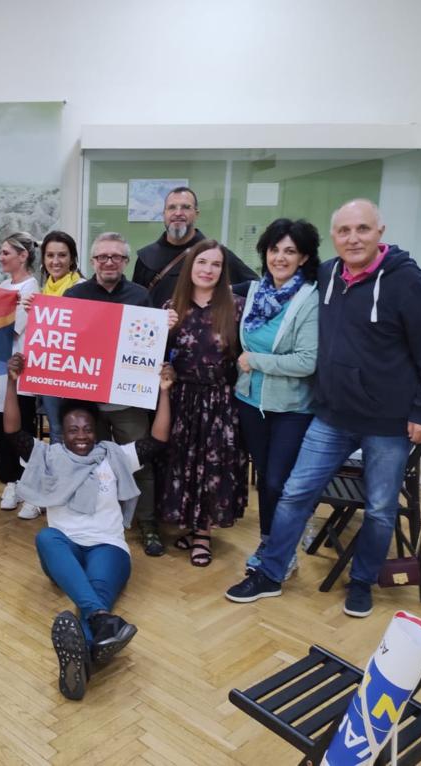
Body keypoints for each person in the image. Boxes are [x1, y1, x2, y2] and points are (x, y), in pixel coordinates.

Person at [226, 200, 421, 618]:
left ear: (380, 231)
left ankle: (363, 582)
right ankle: (271, 572)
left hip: (387, 423)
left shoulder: (408, 282)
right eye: (344, 230)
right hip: (331, 416)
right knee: (295, 493)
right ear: (333, 237)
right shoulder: (329, 274)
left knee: (381, 508)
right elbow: (274, 285)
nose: (353, 238)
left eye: (362, 229)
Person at [2, 352, 173, 701]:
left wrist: (165, 391)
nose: (81, 436)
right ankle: (101, 619)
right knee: (47, 536)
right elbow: (12, 431)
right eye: (73, 430)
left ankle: (82, 664)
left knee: (91, 603)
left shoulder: (114, 455)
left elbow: (157, 440)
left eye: (87, 429)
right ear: (62, 433)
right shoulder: (48, 456)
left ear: (96, 431)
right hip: (63, 551)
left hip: (107, 547)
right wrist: (11, 383)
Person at [64, 232, 177, 557]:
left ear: (125, 261)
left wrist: (166, 327)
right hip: (86, 402)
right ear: (92, 261)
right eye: (102, 256)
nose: (109, 262)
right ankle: (97, 519)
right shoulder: (75, 295)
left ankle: (147, 522)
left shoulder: (140, 296)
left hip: (128, 399)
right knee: (91, 463)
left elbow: (152, 344)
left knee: (140, 461)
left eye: (116, 256)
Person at [235, 219, 320, 578]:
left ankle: (283, 552)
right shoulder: (255, 292)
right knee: (265, 481)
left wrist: (255, 361)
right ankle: (269, 543)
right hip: (250, 402)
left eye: (290, 251)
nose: (280, 258)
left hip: (291, 408)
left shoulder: (309, 299)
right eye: (274, 249)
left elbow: (307, 361)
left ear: (304, 258)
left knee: (276, 483)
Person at [157, 239, 248, 566]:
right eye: (202, 262)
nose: (208, 270)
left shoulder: (236, 307)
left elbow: (245, 353)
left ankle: (203, 534)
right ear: (190, 267)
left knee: (212, 468)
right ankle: (192, 523)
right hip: (181, 398)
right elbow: (153, 354)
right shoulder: (172, 307)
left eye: (216, 264)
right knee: (183, 464)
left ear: (223, 271)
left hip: (218, 401)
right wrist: (162, 331)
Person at [133, 186, 257, 307]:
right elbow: (136, 302)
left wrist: (225, 290)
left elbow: (258, 287)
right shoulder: (146, 257)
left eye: (186, 207)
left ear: (196, 214)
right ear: (164, 214)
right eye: (172, 207)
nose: (178, 213)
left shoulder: (216, 254)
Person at [0, 232, 42, 520]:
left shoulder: (31, 289)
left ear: (23, 256)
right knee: (3, 429)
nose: (1, 258)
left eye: (6, 253)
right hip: (0, 372)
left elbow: (11, 329)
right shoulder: (2, 286)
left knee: (22, 431)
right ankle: (12, 481)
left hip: (22, 374)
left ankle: (29, 485)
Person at [31, 231, 85, 446]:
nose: (56, 261)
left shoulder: (82, 287)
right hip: (50, 372)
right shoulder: (44, 291)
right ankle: (59, 468)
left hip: (76, 372)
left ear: (72, 258)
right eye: (50, 255)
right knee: (56, 430)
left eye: (62, 255)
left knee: (77, 428)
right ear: (43, 259)